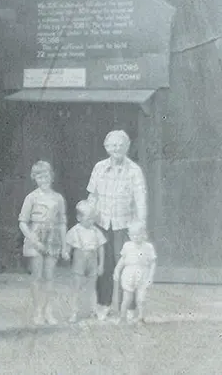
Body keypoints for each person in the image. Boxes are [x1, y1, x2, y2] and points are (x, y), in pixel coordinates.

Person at [86, 130, 148, 321]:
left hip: (125, 224)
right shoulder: (99, 167)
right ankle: (103, 305)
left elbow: (140, 199)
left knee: (126, 265)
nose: (116, 149)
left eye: (121, 145)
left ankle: (127, 308)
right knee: (103, 265)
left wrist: (141, 222)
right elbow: (92, 195)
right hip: (102, 223)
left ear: (127, 147)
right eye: (113, 145)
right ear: (106, 147)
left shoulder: (134, 170)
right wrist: (88, 218)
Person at [18, 160, 68, 325]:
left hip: (52, 239)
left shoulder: (58, 198)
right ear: (34, 178)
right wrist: (32, 238)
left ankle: (48, 310)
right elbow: (22, 222)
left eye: (46, 176)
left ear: (51, 176)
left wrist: (64, 245)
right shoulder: (31, 197)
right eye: (39, 177)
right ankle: (37, 310)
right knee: (37, 276)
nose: (43, 180)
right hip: (36, 238)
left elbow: (62, 223)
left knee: (49, 276)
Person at [64, 200, 107, 323]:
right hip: (79, 259)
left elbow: (101, 248)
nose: (91, 222)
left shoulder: (95, 231)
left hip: (92, 259)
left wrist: (101, 264)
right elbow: (68, 245)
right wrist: (66, 252)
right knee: (76, 287)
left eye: (93, 219)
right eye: (88, 219)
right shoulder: (75, 231)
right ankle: (74, 312)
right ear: (79, 218)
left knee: (92, 287)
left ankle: (93, 310)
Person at [112, 221, 157, 324]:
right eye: (133, 235)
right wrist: (117, 270)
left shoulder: (148, 247)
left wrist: (150, 276)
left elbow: (152, 263)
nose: (136, 237)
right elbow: (122, 259)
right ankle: (122, 316)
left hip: (143, 274)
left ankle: (141, 317)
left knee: (141, 299)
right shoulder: (127, 246)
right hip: (129, 274)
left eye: (138, 234)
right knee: (127, 298)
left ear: (144, 234)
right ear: (129, 235)